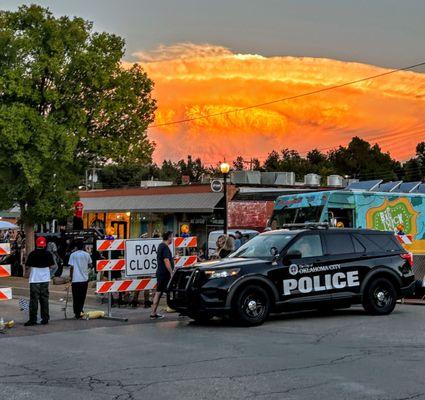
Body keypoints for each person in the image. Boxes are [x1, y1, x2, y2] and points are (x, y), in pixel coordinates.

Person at [24, 236, 55, 326]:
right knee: (44, 299)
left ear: (36, 244)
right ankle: (45, 319)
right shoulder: (48, 254)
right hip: (45, 279)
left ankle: (33, 320)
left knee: (34, 300)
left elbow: (27, 266)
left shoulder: (32, 254)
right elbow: (52, 266)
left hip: (34, 279)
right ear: (44, 244)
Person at [150, 231, 174, 320]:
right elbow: (166, 261)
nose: (172, 239)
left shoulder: (161, 246)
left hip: (161, 273)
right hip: (164, 273)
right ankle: (153, 313)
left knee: (159, 292)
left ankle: (153, 312)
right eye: (172, 237)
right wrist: (171, 272)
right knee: (159, 292)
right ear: (168, 237)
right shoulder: (164, 247)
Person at [68, 240, 92, 319]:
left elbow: (71, 267)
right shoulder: (87, 255)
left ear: (76, 247)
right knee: (82, 296)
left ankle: (76, 312)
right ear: (83, 247)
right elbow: (90, 265)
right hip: (84, 279)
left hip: (75, 279)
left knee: (75, 296)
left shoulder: (73, 255)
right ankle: (80, 309)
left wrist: (71, 277)